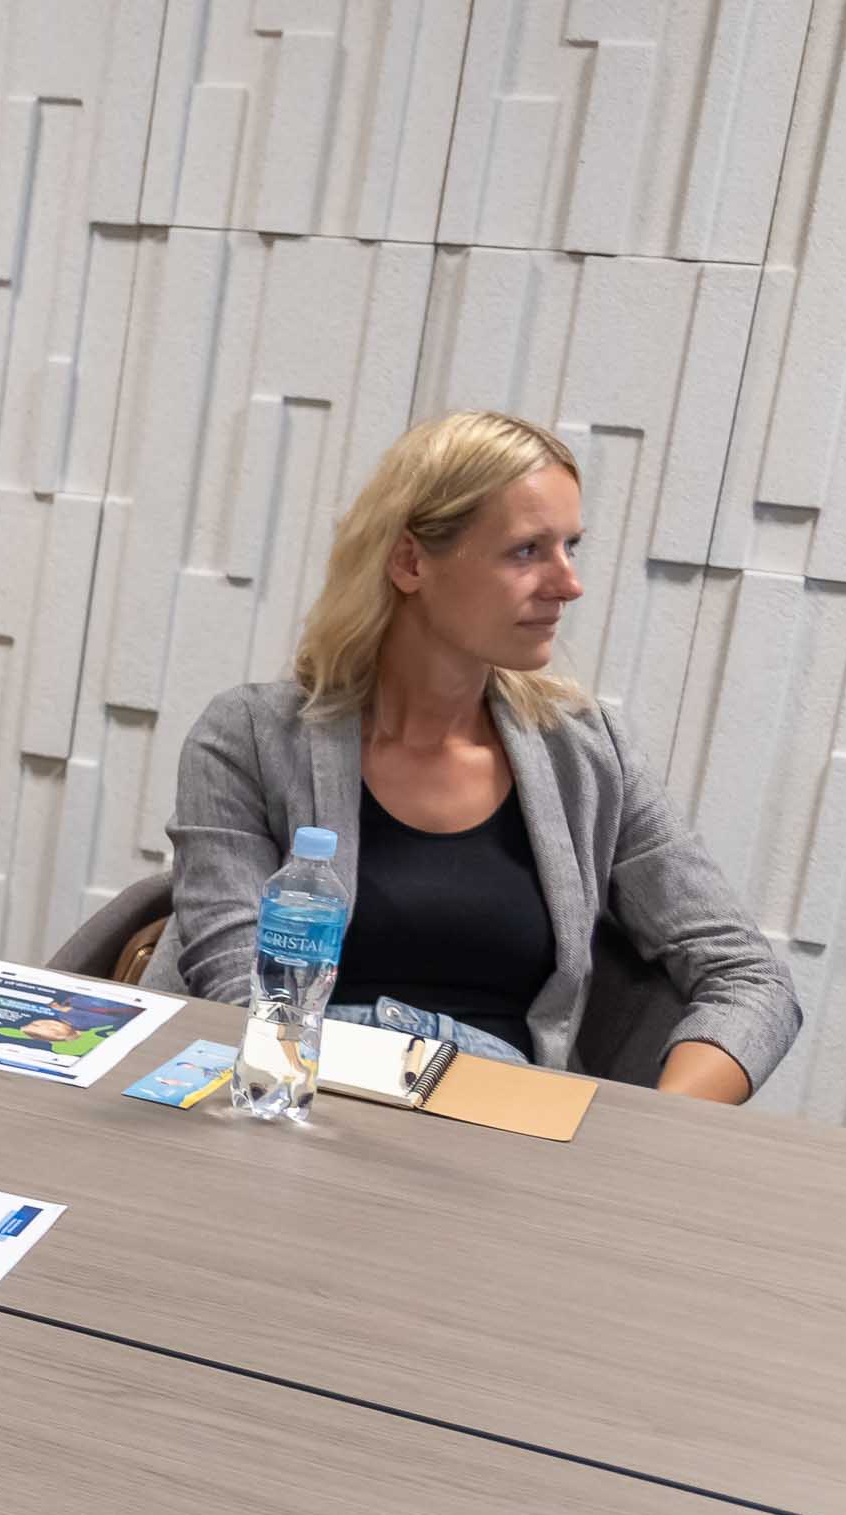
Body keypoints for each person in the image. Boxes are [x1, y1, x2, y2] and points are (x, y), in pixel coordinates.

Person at [158, 410, 796, 1099]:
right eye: (526, 551)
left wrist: (651, 1136)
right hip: (291, 1092)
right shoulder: (250, 737)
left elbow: (750, 979)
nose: (568, 584)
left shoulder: (589, 754)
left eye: (570, 547)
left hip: (496, 1113)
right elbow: (241, 998)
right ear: (410, 562)